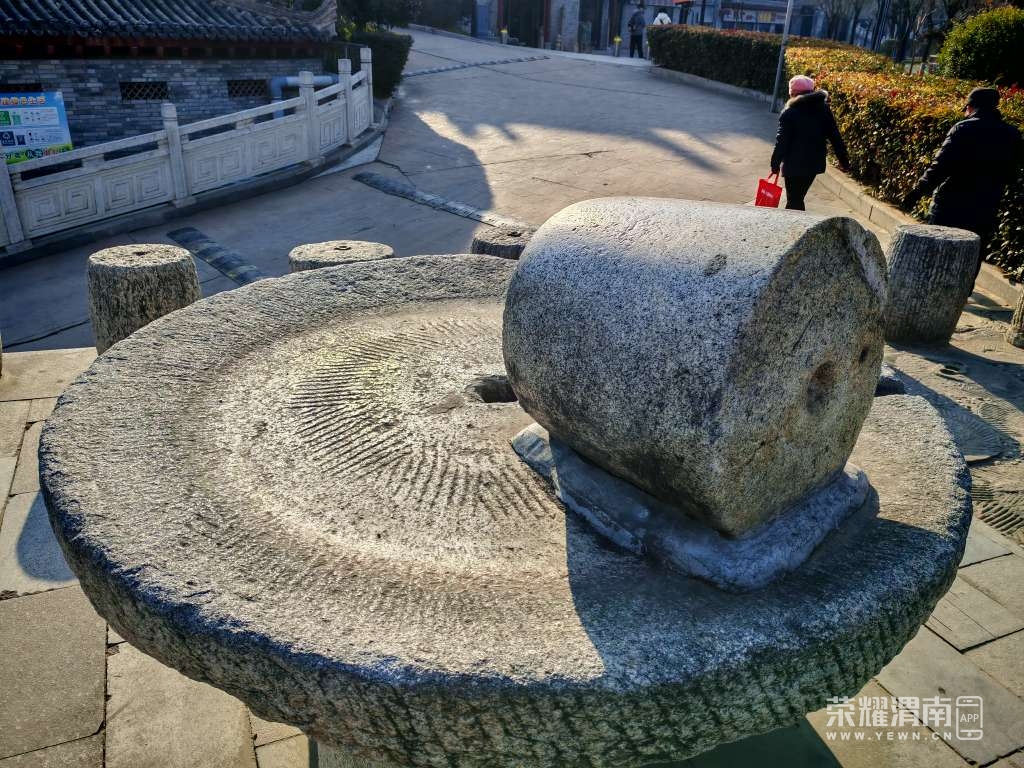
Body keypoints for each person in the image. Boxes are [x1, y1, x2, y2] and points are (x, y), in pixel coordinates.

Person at [904, 87, 1022, 278]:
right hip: (985, 208)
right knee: (971, 259)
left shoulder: (963, 129)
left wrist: (916, 193)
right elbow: (1011, 175)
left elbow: (939, 167)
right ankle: (963, 290)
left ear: (971, 107)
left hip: (950, 206)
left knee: (936, 255)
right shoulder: (1012, 134)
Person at [770, 75, 849, 211]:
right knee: (797, 198)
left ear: (793, 93)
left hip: (794, 164)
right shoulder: (824, 109)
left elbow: (782, 141)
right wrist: (844, 160)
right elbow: (835, 136)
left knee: (794, 201)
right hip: (814, 164)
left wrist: (775, 164)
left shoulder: (790, 113)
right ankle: (796, 222)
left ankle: (796, 223)